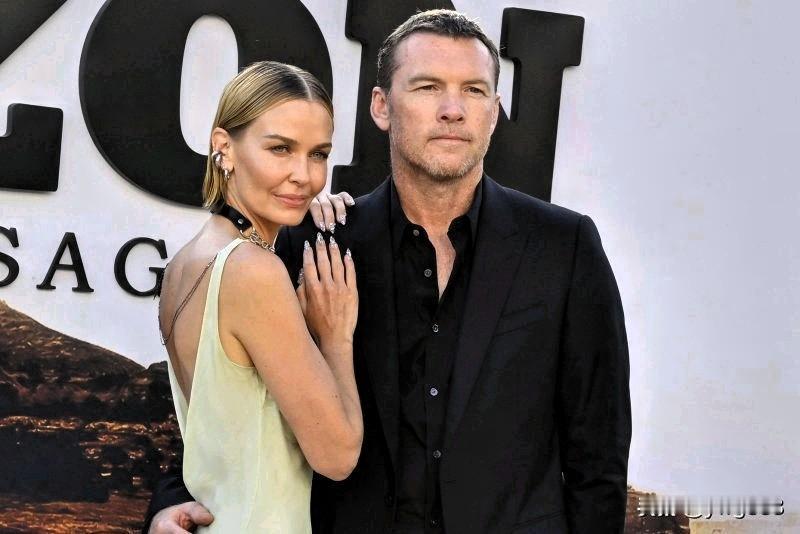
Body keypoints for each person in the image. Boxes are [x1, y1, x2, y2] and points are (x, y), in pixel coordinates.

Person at [146, 10, 631, 534]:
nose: (452, 110)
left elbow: (598, 458)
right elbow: (232, 408)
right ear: (381, 106)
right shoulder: (314, 243)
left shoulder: (564, 248)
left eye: (473, 91)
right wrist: (169, 506)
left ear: (494, 112)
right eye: (427, 87)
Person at [154, 61, 362, 533]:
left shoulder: (184, 264)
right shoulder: (253, 270)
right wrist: (335, 336)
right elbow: (338, 456)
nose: (303, 175)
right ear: (224, 147)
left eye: (318, 154)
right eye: (280, 149)